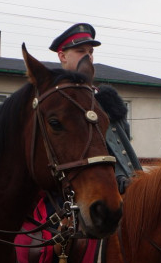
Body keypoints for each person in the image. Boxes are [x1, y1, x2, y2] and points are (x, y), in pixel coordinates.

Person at [51, 23, 142, 193]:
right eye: (81, 51)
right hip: (92, 192)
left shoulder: (106, 98)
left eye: (90, 52)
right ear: (62, 56)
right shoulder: (58, 101)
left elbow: (124, 142)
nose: (88, 57)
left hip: (131, 185)